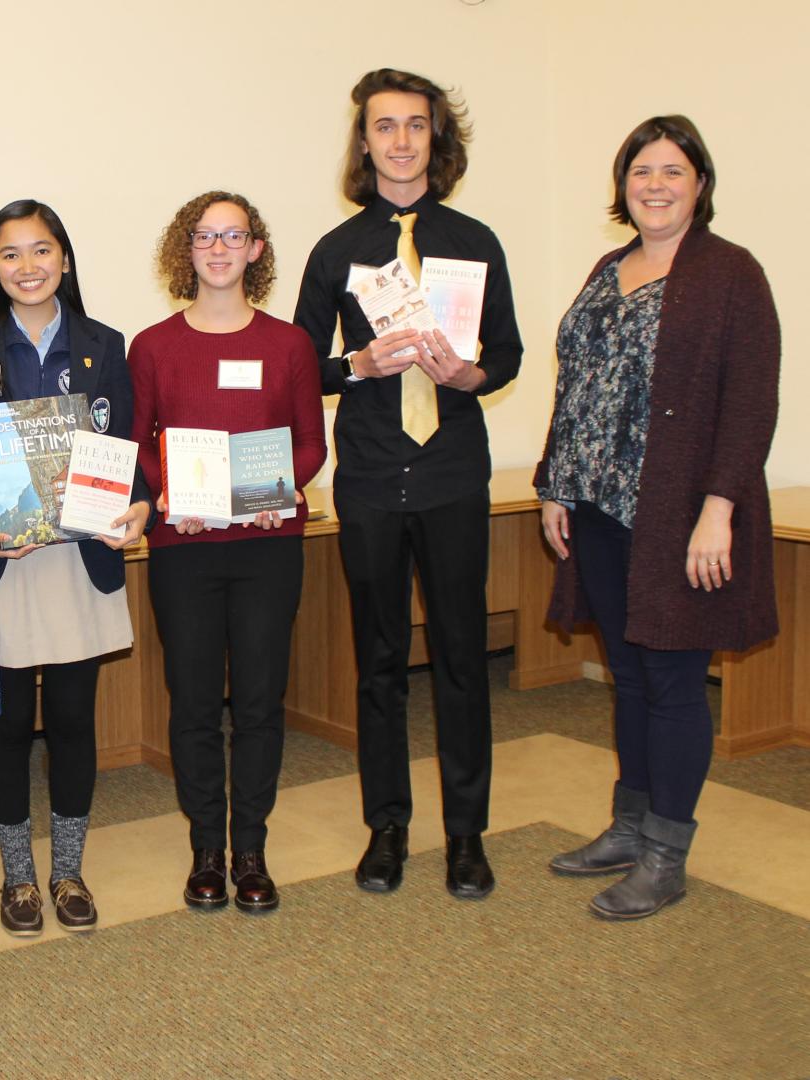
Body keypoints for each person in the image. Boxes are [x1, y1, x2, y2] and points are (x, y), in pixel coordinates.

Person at [536, 116, 779, 920]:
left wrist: (721, 510)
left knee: (674, 680)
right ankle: (629, 824)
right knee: (630, 674)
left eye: (673, 171)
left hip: (682, 512)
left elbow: (750, 404)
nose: (655, 185)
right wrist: (554, 485)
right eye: (642, 171)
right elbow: (576, 384)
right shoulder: (611, 267)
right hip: (600, 508)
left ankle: (666, 853)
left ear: (699, 184)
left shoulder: (730, 273)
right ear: (623, 185)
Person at [293, 69, 522, 899]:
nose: (399, 141)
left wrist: (468, 373)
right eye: (384, 127)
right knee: (380, 661)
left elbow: (511, 354)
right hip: (370, 481)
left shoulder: (476, 240)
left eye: (415, 126)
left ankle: (467, 835)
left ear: (436, 138)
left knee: (462, 658)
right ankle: (386, 827)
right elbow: (300, 368)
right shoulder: (335, 251)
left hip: (453, 474)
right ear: (364, 143)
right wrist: (355, 364)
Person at [0, 199, 151, 936]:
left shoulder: (104, 344)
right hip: (2, 562)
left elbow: (130, 449)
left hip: (76, 563)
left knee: (71, 722)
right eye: (11, 254)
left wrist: (142, 504)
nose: (27, 267)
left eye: (41, 251)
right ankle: (18, 879)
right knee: (4, 728)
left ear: (64, 259)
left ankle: (67, 871)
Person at [130, 191, 327, 913]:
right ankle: (205, 849)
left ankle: (251, 850)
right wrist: (170, 497)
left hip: (268, 546)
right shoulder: (151, 346)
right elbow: (140, 442)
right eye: (204, 236)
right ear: (187, 251)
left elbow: (310, 444)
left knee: (258, 701)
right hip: (183, 548)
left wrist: (277, 490)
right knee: (191, 702)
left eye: (233, 235)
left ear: (256, 250)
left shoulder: (290, 345)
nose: (218, 248)